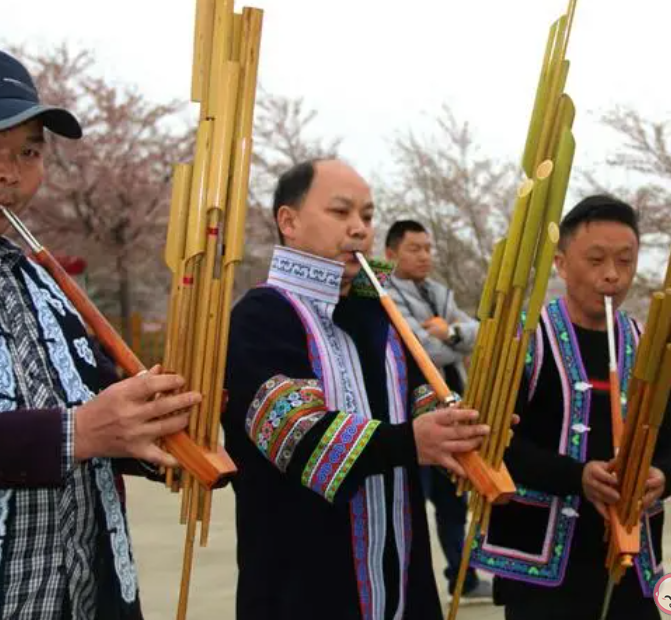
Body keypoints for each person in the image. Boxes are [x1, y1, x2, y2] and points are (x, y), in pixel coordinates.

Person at [222, 158, 491, 619]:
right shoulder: (262, 315)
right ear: (288, 220)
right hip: (300, 587)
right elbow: (296, 435)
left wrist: (467, 426)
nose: (359, 229)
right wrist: (413, 440)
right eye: (340, 213)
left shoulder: (379, 316)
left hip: (401, 576)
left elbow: (424, 400)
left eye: (366, 216)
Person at [0, 50, 200, 619]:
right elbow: (82, 428)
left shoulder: (44, 282)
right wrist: (78, 432)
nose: (9, 173)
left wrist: (158, 428)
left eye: (29, 152)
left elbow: (98, 411)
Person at [469, 196, 671, 620]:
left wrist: (661, 477)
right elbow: (492, 443)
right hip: (540, 569)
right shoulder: (524, 341)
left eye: (625, 261)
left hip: (630, 558)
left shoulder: (650, 345)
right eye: (595, 260)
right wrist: (577, 477)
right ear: (560, 263)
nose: (612, 275)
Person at [384, 220, 492, 603]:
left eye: (428, 248)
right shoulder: (384, 295)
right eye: (415, 248)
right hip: (412, 418)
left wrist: (451, 333)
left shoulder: (439, 293)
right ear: (391, 254)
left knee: (453, 502)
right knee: (409, 503)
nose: (425, 255)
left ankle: (463, 578)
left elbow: (477, 333)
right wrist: (451, 339)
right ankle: (407, 587)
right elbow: (422, 350)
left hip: (452, 408)